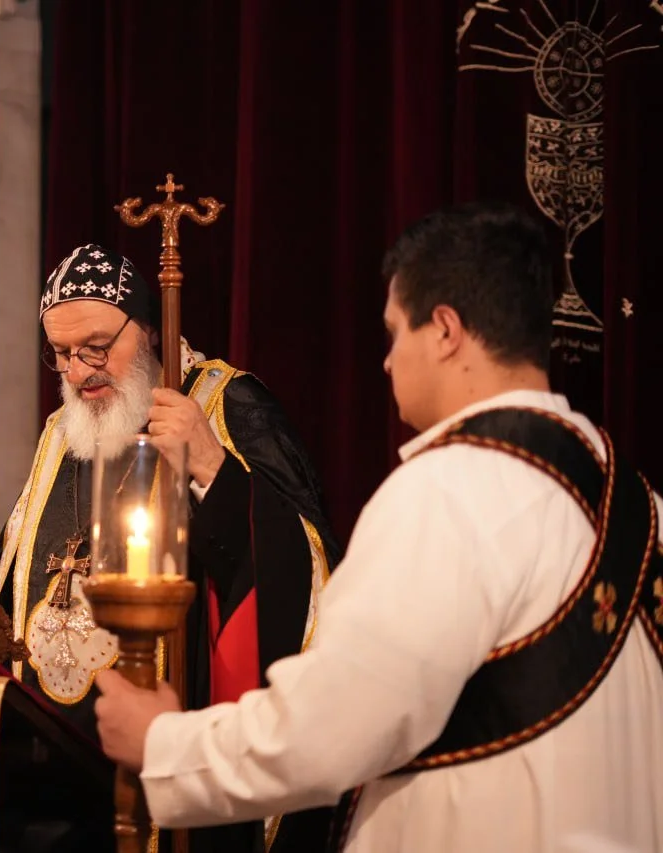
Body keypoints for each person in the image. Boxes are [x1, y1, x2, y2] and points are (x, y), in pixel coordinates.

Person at [93, 202, 663, 852]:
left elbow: (331, 728)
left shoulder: (449, 490)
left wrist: (165, 743)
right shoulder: (641, 503)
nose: (388, 363)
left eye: (395, 333)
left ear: (446, 329)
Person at [0, 244, 342, 852]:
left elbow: (308, 571)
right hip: (62, 781)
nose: (80, 370)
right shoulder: (63, 434)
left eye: (96, 345)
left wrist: (213, 467)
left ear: (148, 329)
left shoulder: (226, 406)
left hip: (177, 763)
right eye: (60, 354)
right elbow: (13, 572)